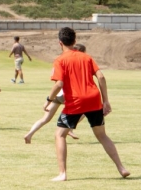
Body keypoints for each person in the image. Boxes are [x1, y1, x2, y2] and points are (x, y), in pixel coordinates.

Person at [45, 27, 129, 181]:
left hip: (76, 102)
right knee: (102, 135)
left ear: (60, 43)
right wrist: (106, 101)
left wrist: (49, 100)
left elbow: (58, 84)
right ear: (75, 41)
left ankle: (62, 173)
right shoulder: (86, 57)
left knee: (59, 135)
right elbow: (101, 77)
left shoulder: (60, 60)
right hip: (94, 99)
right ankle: (121, 168)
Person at [23, 43, 88, 144]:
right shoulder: (77, 63)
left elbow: (55, 78)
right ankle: (70, 128)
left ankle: (29, 134)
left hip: (58, 94)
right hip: (69, 94)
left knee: (45, 118)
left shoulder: (60, 60)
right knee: (86, 110)